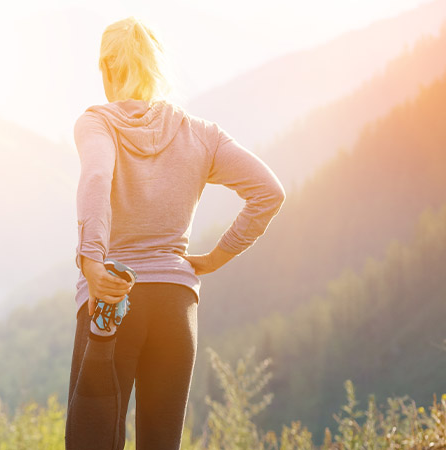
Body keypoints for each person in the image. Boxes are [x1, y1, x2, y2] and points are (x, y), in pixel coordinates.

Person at [66, 16, 286, 449]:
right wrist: (215, 257)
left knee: (93, 439)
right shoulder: (202, 134)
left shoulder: (98, 123)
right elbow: (268, 192)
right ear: (155, 67)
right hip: (175, 305)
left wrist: (92, 262)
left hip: (114, 298)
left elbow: (95, 178)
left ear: (108, 68)